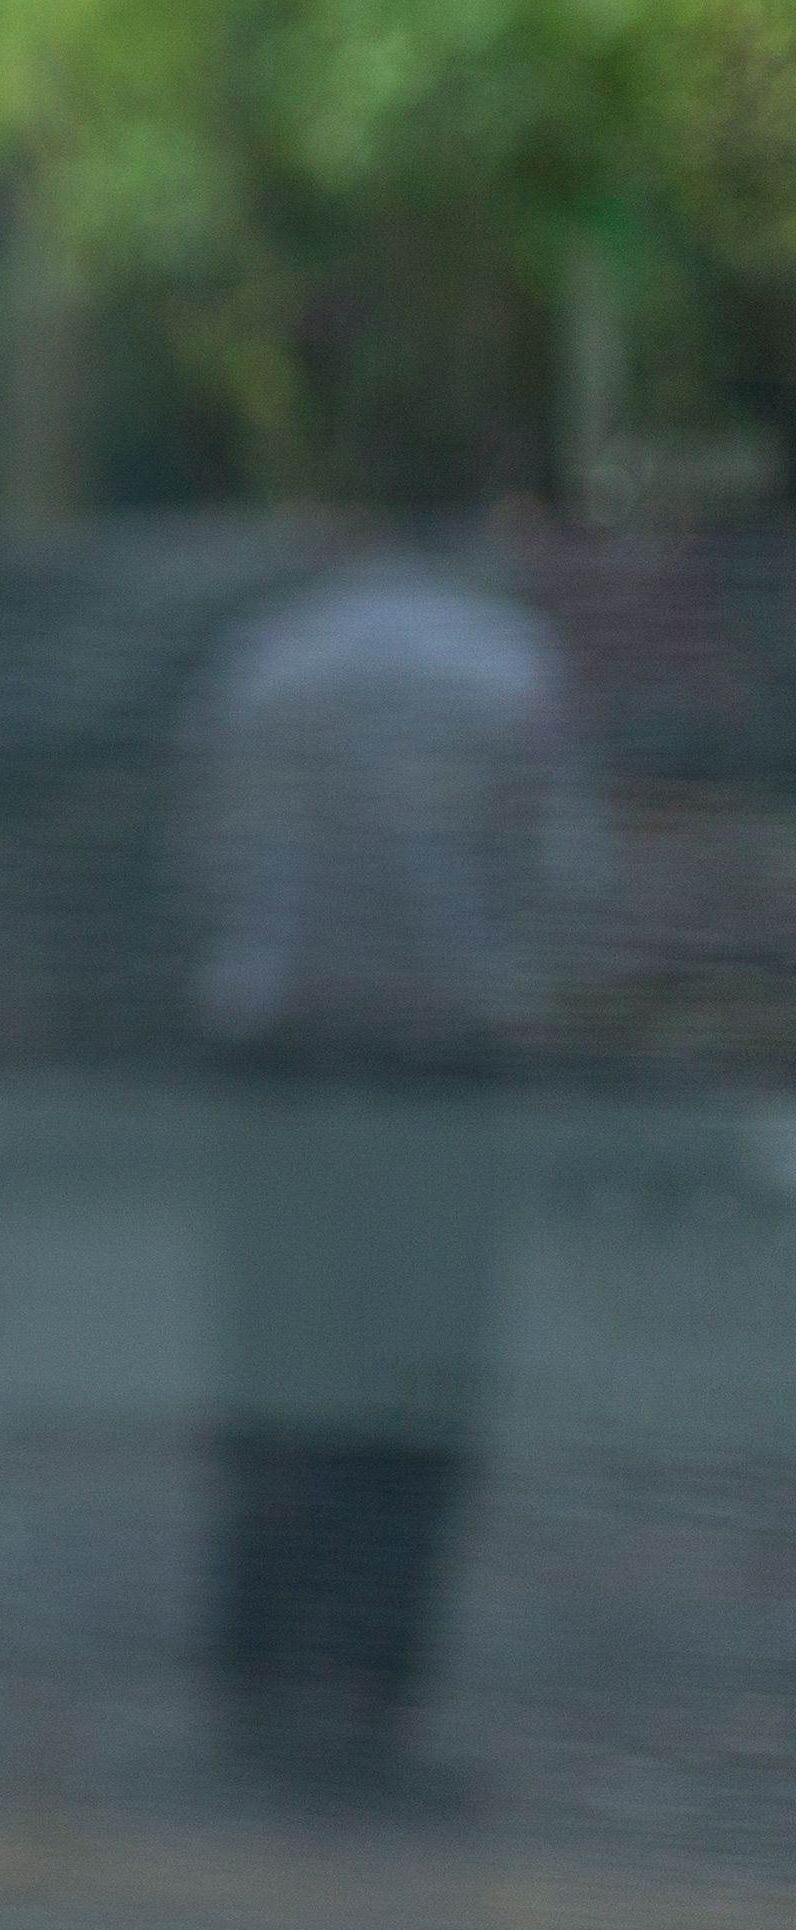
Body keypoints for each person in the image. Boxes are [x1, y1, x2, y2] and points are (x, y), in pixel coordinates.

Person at [174, 545, 601, 1794]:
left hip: (283, 1073)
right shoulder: (505, 666)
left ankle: (260, 1676)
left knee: (275, 1376)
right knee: (416, 1393)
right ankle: (372, 1695)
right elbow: (567, 880)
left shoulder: (265, 663)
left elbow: (204, 864)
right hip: (438, 1071)